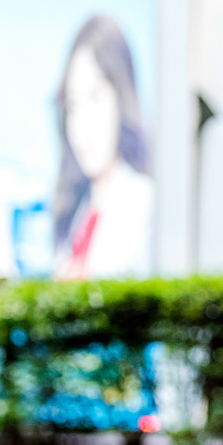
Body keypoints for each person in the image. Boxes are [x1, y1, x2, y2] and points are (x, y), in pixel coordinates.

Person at [53, 15, 154, 278]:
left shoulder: (144, 204)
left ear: (122, 96)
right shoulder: (77, 208)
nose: (83, 124)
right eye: (73, 105)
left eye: (96, 97)